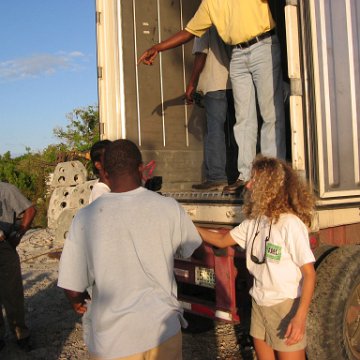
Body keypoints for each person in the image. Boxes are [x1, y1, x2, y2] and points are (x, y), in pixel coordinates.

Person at [58, 139, 202, 359]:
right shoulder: (169, 207)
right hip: (163, 332)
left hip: (114, 343)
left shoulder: (85, 217)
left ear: (105, 173)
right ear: (141, 168)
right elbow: (190, 248)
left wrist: (77, 303)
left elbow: (72, 286)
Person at [138, 0, 286, 195]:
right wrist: (157, 47)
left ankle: (271, 176)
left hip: (263, 45)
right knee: (243, 120)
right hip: (238, 55)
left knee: (270, 114)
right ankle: (246, 176)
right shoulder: (209, 4)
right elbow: (188, 32)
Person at [196, 156, 316, 360]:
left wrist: (299, 317)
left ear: (269, 186)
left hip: (285, 307)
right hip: (259, 304)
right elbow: (222, 240)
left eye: (254, 180)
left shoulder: (290, 224)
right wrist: (188, 226)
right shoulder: (255, 221)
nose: (249, 185)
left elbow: (310, 274)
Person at [186, 26, 233, 191]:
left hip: (214, 83)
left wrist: (192, 84)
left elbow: (201, 55)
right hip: (233, 82)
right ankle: (237, 175)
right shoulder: (226, 22)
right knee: (235, 131)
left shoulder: (203, 24)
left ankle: (217, 177)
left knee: (215, 131)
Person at [0, 181, 37, 352]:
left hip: (3, 248)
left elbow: (30, 210)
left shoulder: (6, 189)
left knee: (12, 294)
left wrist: (19, 233)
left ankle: (21, 334)